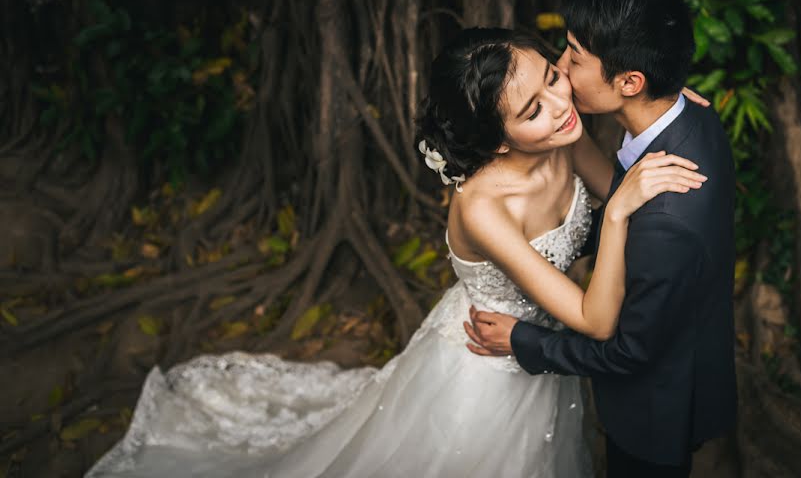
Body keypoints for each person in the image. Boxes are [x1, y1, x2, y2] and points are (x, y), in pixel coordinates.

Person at [87, 26, 707, 477]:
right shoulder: (484, 208)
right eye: (532, 110)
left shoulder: (563, 139)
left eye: (552, 76)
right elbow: (597, 315)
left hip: (544, 352)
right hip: (489, 369)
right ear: (496, 144)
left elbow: (628, 179)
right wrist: (619, 210)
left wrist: (663, 109)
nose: (561, 106)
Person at [464, 0, 738, 478]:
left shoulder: (665, 219)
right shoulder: (692, 116)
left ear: (631, 81)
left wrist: (522, 341)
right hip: (687, 356)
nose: (562, 68)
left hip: (654, 409)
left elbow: (627, 354)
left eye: (575, 57)